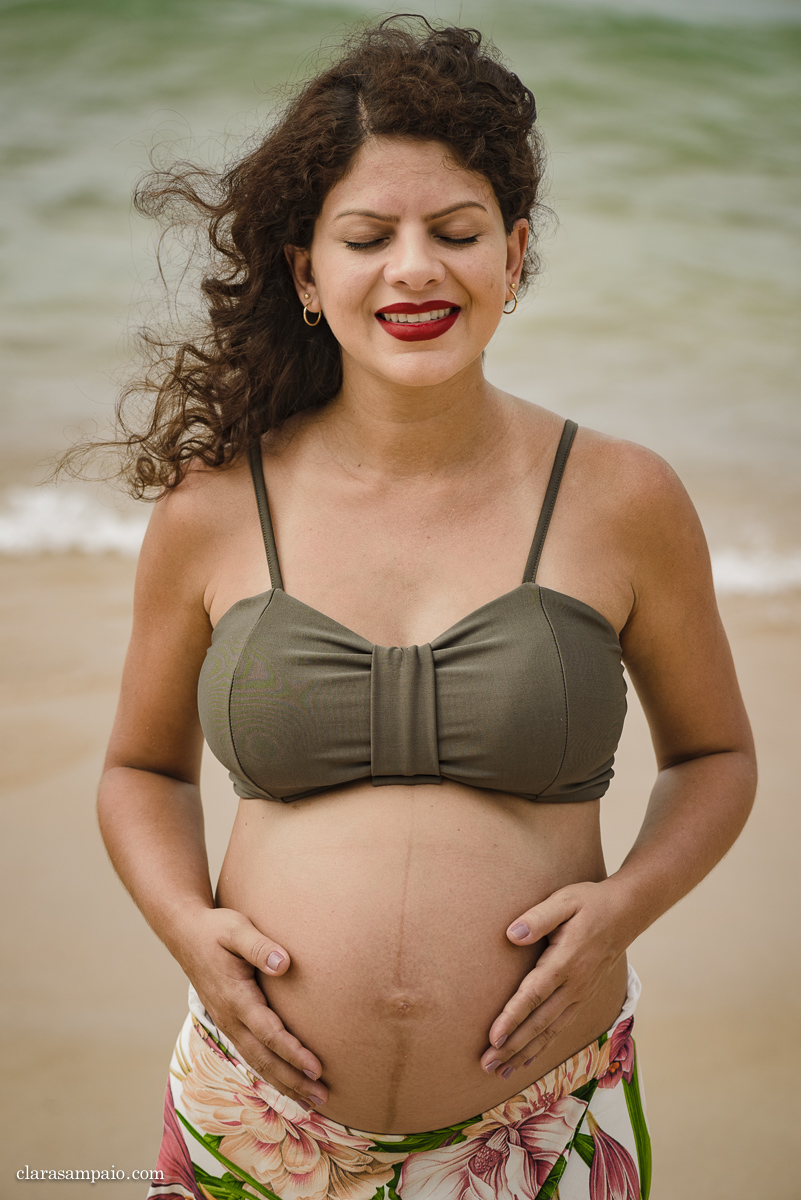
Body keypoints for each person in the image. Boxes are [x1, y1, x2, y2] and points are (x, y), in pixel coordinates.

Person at [93, 17, 756, 1200]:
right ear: (306, 270)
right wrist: (187, 928)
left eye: (455, 233)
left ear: (514, 254)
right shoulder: (213, 507)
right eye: (366, 237)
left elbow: (714, 756)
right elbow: (140, 771)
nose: (414, 269)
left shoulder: (622, 497)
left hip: (546, 1127)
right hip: (252, 1126)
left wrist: (622, 910)